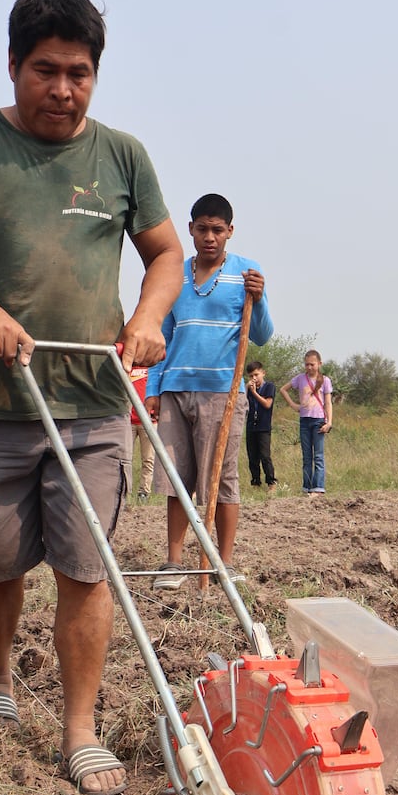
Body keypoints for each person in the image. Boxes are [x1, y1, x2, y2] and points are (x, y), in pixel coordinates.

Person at [0, 0, 182, 795]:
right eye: (45, 69)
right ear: (13, 64)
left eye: (80, 73)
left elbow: (164, 255)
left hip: (93, 398)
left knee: (87, 570)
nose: (63, 88)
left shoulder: (121, 155)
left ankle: (80, 728)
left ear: (96, 75)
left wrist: (151, 317)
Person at [146, 194, 273, 591]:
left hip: (223, 391)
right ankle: (174, 563)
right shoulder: (174, 277)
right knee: (177, 479)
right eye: (202, 229)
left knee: (223, 479)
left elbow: (263, 334)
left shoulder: (246, 273)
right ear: (191, 230)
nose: (210, 237)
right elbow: (161, 337)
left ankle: (224, 563)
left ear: (230, 232)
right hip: (175, 389)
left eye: (218, 230)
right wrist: (152, 387)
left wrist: (260, 298)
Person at [280, 349, 333, 494]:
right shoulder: (299, 378)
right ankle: (307, 487)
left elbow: (328, 403)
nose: (309, 367)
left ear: (319, 364)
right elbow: (283, 389)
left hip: (319, 420)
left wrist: (329, 422)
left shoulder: (325, 381)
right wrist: (293, 405)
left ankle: (318, 488)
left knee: (318, 455)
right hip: (304, 420)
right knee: (307, 456)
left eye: (312, 364)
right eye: (306, 364)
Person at [245, 360, 276, 493]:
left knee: (265, 456)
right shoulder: (249, 389)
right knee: (252, 457)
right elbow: (241, 404)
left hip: (263, 427)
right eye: (251, 376)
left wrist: (254, 393)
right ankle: (255, 482)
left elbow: (267, 404)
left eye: (256, 374)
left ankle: (271, 482)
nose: (254, 378)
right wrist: (246, 390)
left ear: (263, 373)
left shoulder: (269, 386)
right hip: (251, 426)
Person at [129, 365, 155, 503]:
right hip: (128, 421)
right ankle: (125, 490)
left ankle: (144, 492)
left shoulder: (152, 368)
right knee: (126, 458)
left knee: (148, 459)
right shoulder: (127, 366)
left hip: (148, 421)